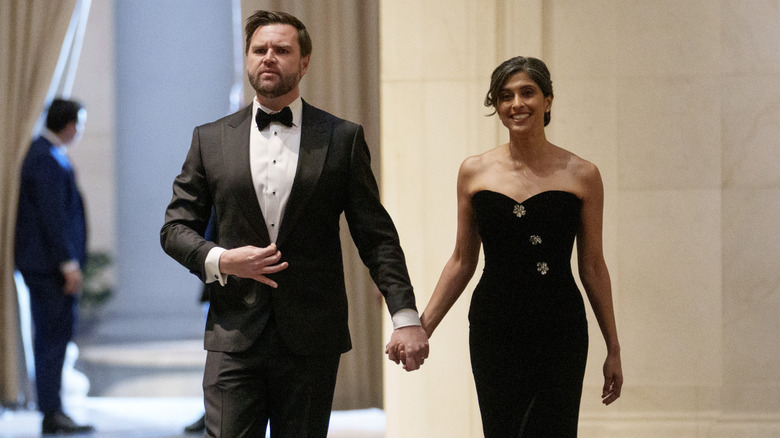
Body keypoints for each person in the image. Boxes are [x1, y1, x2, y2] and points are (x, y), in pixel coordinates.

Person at [160, 10, 428, 437]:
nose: (269, 57)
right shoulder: (209, 138)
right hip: (233, 332)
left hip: (311, 336)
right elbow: (174, 229)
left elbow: (376, 236)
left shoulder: (342, 138)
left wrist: (405, 314)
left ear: (304, 63)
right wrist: (223, 259)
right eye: (259, 49)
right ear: (247, 58)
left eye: (281, 50)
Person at [417, 56, 623, 437]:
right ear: (496, 106)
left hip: (560, 326)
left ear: (548, 101)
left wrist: (613, 347)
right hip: (495, 325)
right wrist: (421, 327)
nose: (517, 104)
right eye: (505, 96)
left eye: (527, 92)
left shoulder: (583, 174)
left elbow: (592, 265)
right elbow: (462, 260)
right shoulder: (473, 171)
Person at [15, 98, 95, 435]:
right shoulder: (44, 158)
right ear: (69, 122)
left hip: (51, 267)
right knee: (51, 337)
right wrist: (67, 263)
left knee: (56, 336)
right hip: (50, 269)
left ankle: (54, 408)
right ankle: (51, 410)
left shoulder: (49, 155)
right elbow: (53, 218)